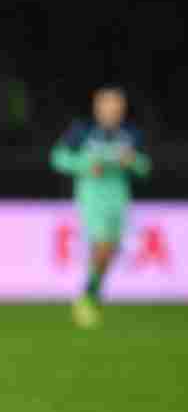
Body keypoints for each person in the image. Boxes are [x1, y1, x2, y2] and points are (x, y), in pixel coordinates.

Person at [51, 86, 151, 327]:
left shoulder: (131, 134)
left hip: (118, 197)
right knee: (102, 244)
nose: (111, 110)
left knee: (111, 248)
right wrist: (85, 165)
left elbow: (145, 167)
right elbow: (58, 158)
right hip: (91, 196)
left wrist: (133, 161)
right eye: (106, 105)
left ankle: (91, 294)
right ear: (97, 107)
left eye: (116, 106)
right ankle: (88, 298)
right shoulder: (82, 132)